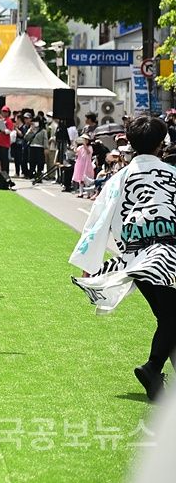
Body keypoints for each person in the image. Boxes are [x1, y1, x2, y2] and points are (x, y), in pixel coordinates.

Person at [70, 116, 176, 401]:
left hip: (135, 258)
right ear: (161, 144)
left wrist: (89, 263)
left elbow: (98, 221)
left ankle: (156, 375)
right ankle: (153, 368)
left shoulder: (119, 179)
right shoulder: (172, 174)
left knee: (168, 316)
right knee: (171, 315)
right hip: (166, 256)